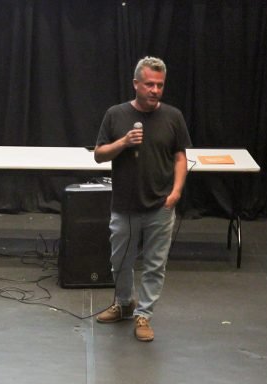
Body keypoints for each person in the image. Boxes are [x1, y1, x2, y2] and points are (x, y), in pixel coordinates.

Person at [94, 56, 191, 342]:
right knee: (119, 261)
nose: (155, 90)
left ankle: (144, 315)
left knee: (154, 264)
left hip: (161, 204)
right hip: (124, 204)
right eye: (149, 84)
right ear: (136, 84)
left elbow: (180, 156)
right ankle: (124, 304)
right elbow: (99, 155)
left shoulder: (173, 116)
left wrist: (176, 192)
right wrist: (123, 142)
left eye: (160, 85)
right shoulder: (116, 114)